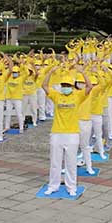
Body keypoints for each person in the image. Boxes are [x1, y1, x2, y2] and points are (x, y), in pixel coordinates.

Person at [42, 65, 92, 196]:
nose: (65, 87)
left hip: (72, 134)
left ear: (72, 86)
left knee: (71, 163)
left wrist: (83, 73)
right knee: (55, 162)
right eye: (63, 84)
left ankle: (71, 187)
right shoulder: (57, 95)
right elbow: (44, 86)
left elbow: (89, 87)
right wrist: (50, 72)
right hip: (57, 133)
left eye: (67, 85)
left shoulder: (77, 96)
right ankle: (53, 186)